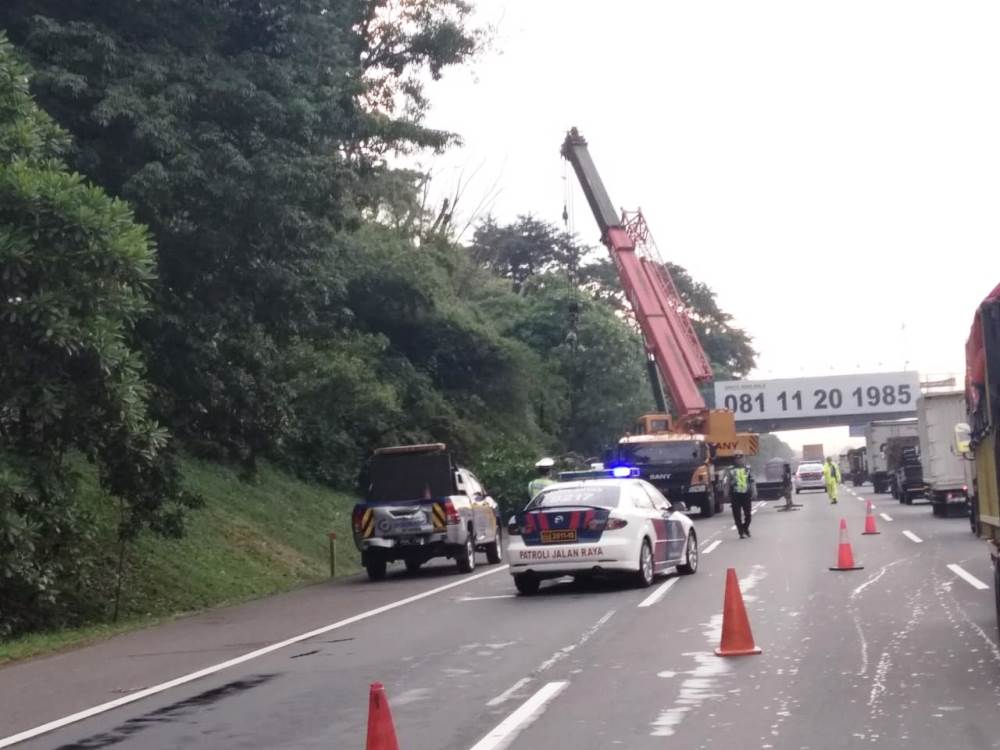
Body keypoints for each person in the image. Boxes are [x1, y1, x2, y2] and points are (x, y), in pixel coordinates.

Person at [725, 452, 756, 538]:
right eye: (737, 459)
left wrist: (754, 491)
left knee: (748, 515)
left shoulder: (748, 469)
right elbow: (727, 482)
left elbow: (752, 480)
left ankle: (745, 528)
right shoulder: (731, 469)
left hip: (746, 494)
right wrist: (726, 492)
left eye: (740, 458)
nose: (738, 460)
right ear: (734, 460)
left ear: (744, 458)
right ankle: (740, 532)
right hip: (735, 495)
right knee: (736, 515)